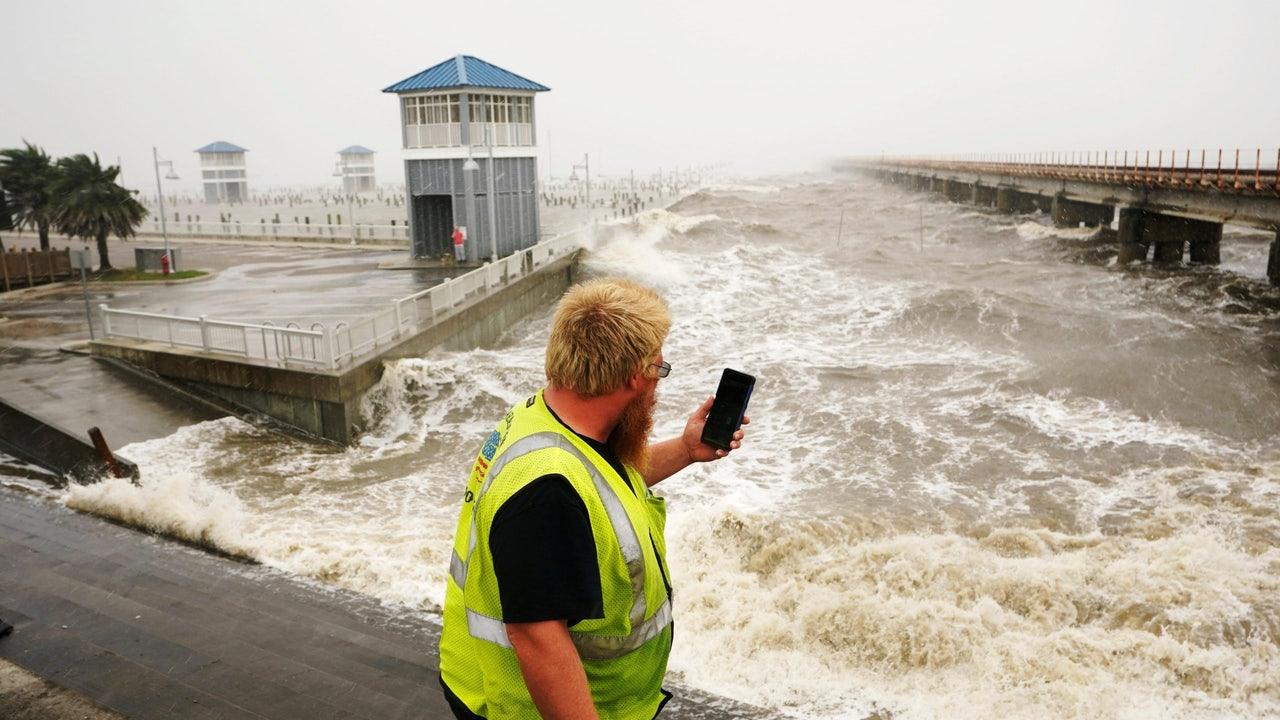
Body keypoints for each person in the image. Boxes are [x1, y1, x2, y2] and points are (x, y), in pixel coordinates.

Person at [438, 278, 749, 719]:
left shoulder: (547, 416)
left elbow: (601, 483)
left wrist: (684, 450)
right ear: (633, 377)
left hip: (479, 674)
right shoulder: (545, 494)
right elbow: (538, 640)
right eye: (659, 369)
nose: (658, 382)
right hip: (521, 706)